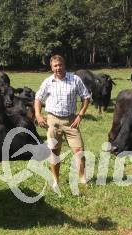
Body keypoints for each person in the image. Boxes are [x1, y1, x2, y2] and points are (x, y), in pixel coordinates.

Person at [34, 55, 91, 189]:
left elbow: (86, 97)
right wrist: (38, 114)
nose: (58, 68)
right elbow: (38, 98)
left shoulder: (75, 79)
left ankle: (82, 178)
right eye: (55, 66)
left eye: (60, 65)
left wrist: (80, 115)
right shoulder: (48, 82)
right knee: (54, 152)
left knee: (79, 151)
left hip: (71, 121)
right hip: (53, 120)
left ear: (64, 65)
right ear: (51, 67)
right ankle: (56, 181)